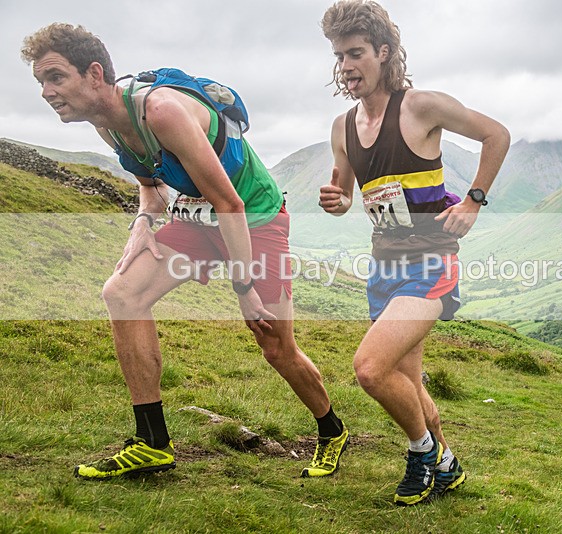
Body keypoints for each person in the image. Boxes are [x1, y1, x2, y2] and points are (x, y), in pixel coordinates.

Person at [22, 23, 348, 480]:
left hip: (252, 217)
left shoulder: (161, 112)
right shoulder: (107, 124)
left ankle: (331, 429)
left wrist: (244, 287)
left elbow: (230, 203)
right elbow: (152, 189)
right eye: (40, 82)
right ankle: (152, 442)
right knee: (122, 294)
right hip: (197, 218)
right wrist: (142, 223)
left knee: (276, 346)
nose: (45, 92)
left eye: (55, 78)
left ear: (94, 73)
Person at [319, 0, 510, 505]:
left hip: (431, 265)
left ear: (384, 52)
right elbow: (346, 198)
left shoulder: (421, 106)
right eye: (339, 56)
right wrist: (336, 202)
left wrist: (473, 201)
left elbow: (497, 134)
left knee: (370, 369)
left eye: (355, 53)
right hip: (384, 266)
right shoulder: (342, 128)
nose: (345, 66)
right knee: (408, 382)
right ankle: (446, 465)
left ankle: (421, 451)